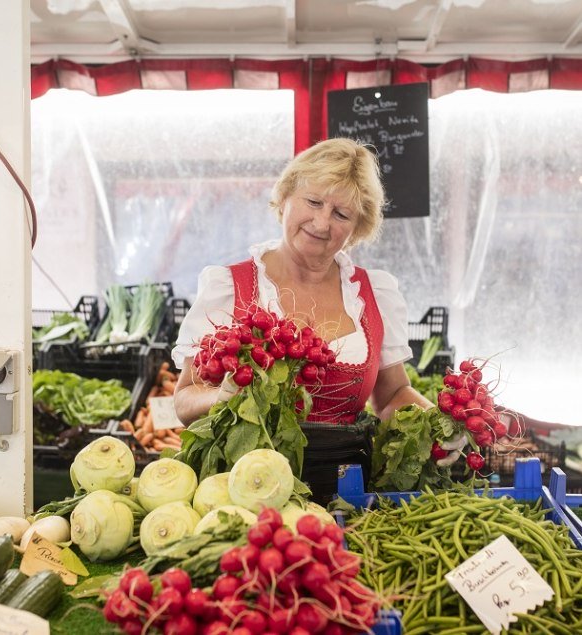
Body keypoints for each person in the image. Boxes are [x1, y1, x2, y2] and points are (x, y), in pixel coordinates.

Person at [172, 137, 435, 503]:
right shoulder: (229, 287)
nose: (322, 222)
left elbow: (391, 394)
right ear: (285, 198)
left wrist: (438, 422)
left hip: (345, 490)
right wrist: (222, 397)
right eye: (313, 202)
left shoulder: (374, 293)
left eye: (341, 214)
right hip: (245, 493)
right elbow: (184, 399)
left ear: (357, 228)